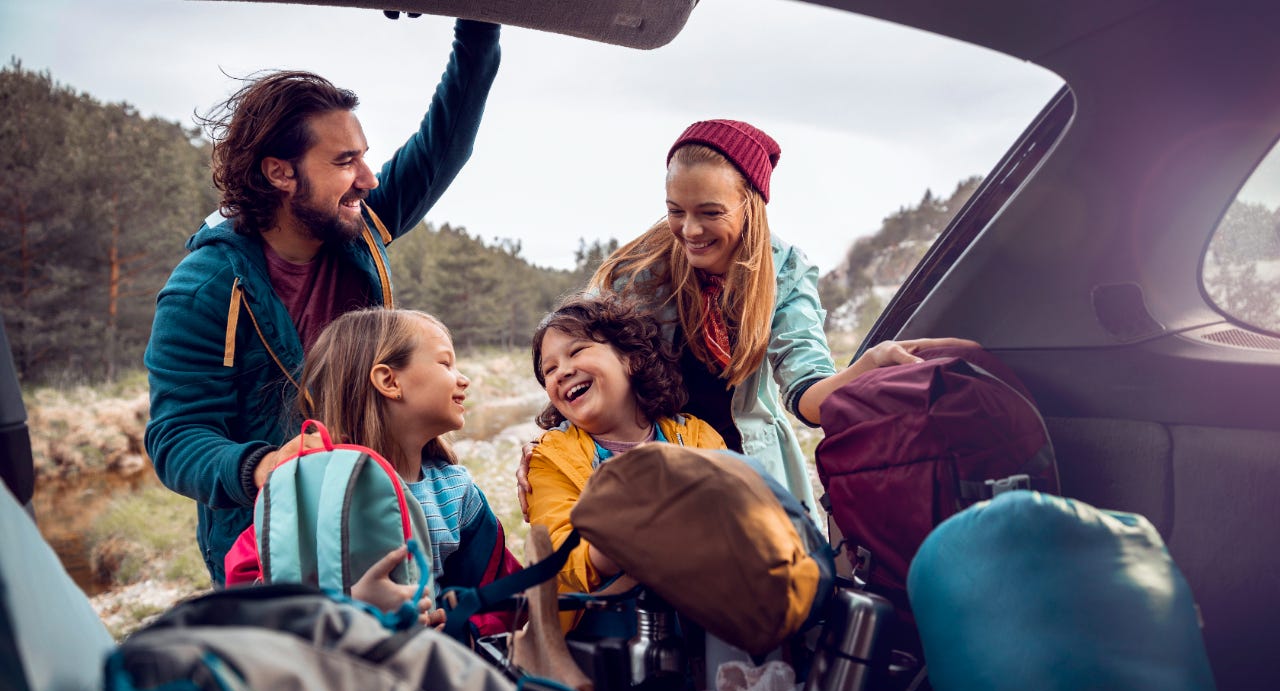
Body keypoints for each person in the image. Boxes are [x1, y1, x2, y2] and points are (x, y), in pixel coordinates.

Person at [144, 18, 502, 584]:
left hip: (383, 510)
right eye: (343, 162)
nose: (367, 178)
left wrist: (478, 28)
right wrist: (264, 466)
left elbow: (445, 145)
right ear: (280, 173)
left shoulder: (358, 226)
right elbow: (177, 437)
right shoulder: (204, 288)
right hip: (273, 543)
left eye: (363, 156)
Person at [518, 119, 974, 527]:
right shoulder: (638, 271)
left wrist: (866, 368)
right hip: (654, 463)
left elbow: (808, 397)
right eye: (676, 210)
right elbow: (581, 362)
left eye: (710, 212)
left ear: (750, 205)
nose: (690, 231)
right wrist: (547, 454)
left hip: (748, 469)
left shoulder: (787, 272)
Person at [224, 308, 521, 631]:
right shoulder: (310, 489)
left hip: (431, 670)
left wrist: (460, 624)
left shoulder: (453, 491)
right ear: (389, 380)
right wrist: (347, 606)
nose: (463, 378)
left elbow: (505, 595)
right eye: (445, 363)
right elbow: (247, 597)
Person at [525, 294, 725, 605]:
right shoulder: (549, 459)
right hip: (603, 627)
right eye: (549, 370)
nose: (561, 372)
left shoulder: (696, 436)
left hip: (707, 610)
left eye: (576, 351)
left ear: (630, 359)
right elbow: (558, 551)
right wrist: (620, 537)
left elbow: (730, 512)